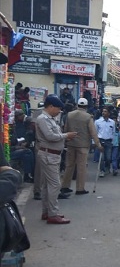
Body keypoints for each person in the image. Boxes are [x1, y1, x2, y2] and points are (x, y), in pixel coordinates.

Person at [36, 95, 77, 224]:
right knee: (54, 184)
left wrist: (65, 137)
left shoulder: (51, 119)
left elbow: (54, 136)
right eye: (58, 108)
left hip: (52, 154)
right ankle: (52, 214)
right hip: (49, 155)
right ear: (50, 106)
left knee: (47, 185)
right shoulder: (43, 119)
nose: (59, 111)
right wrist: (66, 135)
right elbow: (50, 136)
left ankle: (47, 211)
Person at [60, 98, 103, 195]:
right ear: (86, 106)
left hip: (71, 144)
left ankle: (65, 186)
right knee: (81, 167)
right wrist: (98, 145)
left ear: (77, 105)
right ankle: (80, 188)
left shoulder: (69, 115)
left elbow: (66, 129)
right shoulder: (88, 117)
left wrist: (66, 140)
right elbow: (93, 132)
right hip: (83, 146)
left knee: (69, 166)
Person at [9, 109, 35, 183]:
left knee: (29, 151)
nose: (15, 123)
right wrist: (18, 147)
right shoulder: (8, 132)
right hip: (10, 151)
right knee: (27, 152)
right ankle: (28, 175)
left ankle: (29, 174)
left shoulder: (27, 121)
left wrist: (23, 143)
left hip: (16, 146)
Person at [95, 108, 116, 178]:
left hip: (108, 141)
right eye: (103, 111)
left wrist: (112, 141)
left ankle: (107, 168)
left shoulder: (112, 122)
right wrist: (95, 142)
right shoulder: (98, 122)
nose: (103, 113)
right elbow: (95, 132)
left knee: (108, 158)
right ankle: (102, 171)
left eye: (105, 111)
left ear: (109, 113)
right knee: (102, 157)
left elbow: (113, 132)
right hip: (100, 141)